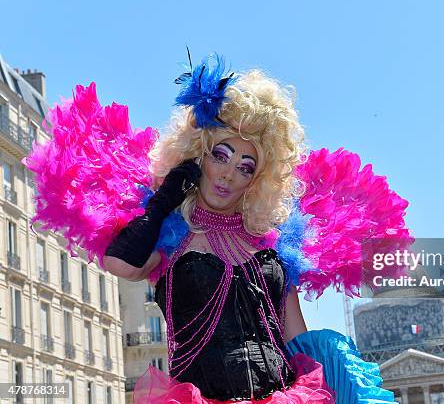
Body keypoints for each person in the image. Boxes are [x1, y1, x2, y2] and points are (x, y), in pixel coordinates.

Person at [97, 57, 401, 403]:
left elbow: (294, 335)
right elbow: (121, 265)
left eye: (245, 167)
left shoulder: (273, 244)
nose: (228, 174)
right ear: (197, 155)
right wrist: (164, 198)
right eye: (220, 155)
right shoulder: (171, 234)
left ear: (258, 180)